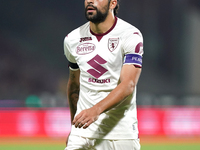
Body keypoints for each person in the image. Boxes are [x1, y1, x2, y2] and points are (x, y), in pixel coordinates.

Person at [64, 0, 143, 149]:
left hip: (120, 134)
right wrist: (75, 127)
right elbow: (74, 85)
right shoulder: (72, 39)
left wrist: (96, 110)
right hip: (82, 135)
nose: (90, 1)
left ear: (112, 3)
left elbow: (128, 85)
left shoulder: (130, 35)